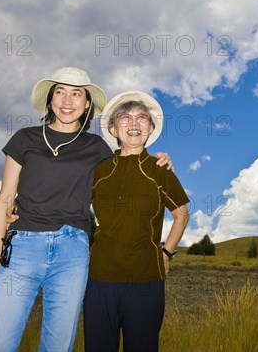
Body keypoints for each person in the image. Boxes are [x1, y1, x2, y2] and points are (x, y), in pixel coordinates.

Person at [0, 68, 172, 352]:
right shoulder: (24, 139)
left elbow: (131, 165)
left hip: (72, 252)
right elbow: (6, 197)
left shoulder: (97, 148)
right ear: (50, 100)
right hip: (22, 248)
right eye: (60, 92)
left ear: (86, 105)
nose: (67, 100)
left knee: (57, 345)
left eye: (76, 94)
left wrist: (162, 162)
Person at [83, 91, 190, 352]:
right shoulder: (99, 170)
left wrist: (167, 253)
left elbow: (182, 214)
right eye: (125, 117)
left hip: (146, 281)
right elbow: (72, 205)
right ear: (112, 128)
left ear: (151, 129)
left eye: (142, 118)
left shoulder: (159, 169)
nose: (134, 124)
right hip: (98, 279)